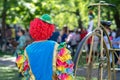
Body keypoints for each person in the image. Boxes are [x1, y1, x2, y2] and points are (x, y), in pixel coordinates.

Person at [16, 14, 74, 80]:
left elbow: (26, 73)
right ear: (50, 29)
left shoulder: (27, 49)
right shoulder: (57, 47)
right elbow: (65, 73)